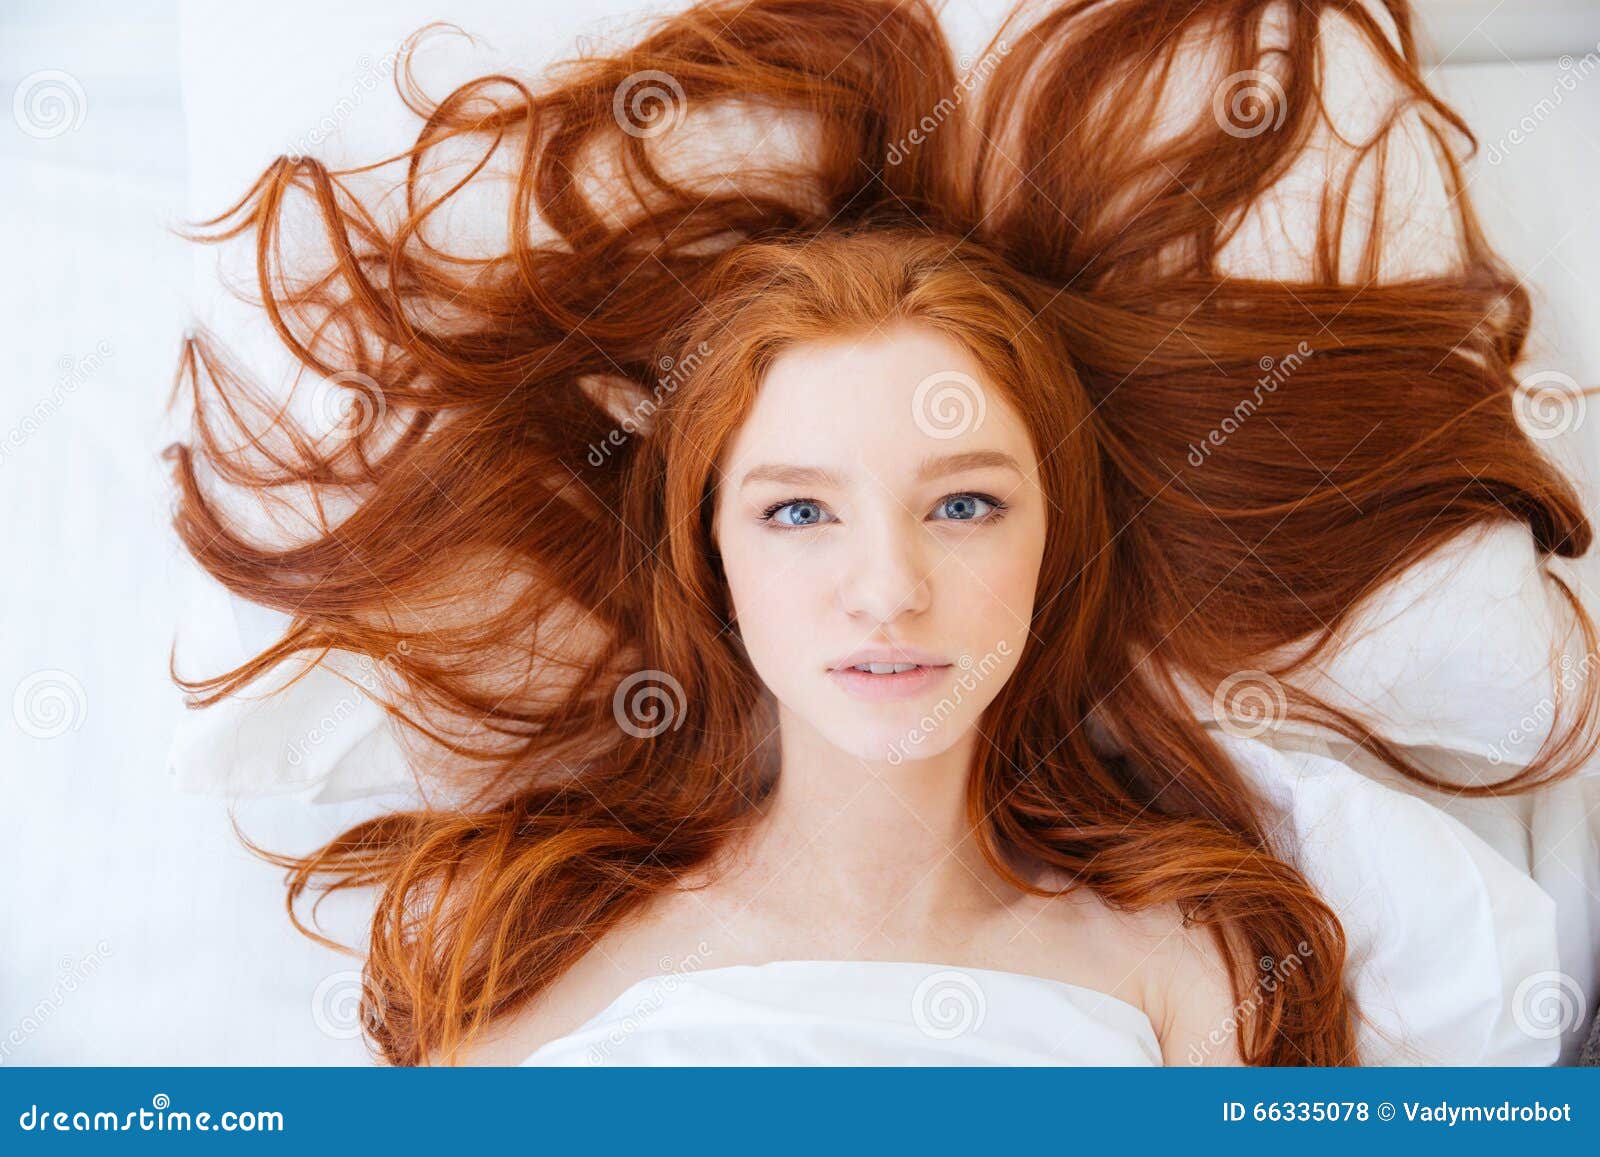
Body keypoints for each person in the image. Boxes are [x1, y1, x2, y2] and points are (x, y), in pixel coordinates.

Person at [165, 0, 1598, 1066]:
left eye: (965, 503)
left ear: (1056, 539)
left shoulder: (1185, 965)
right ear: (711, 553)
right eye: (798, 511)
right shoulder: (517, 959)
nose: (889, 591)